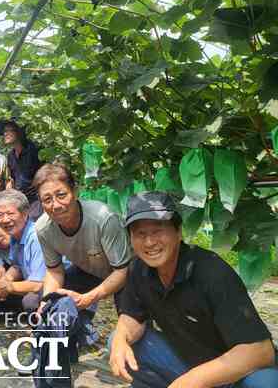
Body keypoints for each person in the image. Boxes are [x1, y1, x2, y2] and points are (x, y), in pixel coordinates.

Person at [110, 191, 278, 388]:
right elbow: (132, 315)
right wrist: (121, 338)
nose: (149, 242)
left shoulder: (212, 272)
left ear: (178, 231)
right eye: (140, 233)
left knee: (265, 382)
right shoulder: (138, 268)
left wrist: (191, 381)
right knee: (118, 343)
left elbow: (260, 351)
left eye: (157, 231)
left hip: (236, 373)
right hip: (190, 364)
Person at [33, 163, 132, 354]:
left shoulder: (103, 217)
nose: (55, 205)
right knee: (46, 301)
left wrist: (88, 298)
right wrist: (45, 303)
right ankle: (75, 340)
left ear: (75, 191)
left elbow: (122, 270)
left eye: (61, 195)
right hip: (89, 270)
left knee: (128, 317)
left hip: (126, 271)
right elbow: (55, 270)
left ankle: (130, 349)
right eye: (47, 199)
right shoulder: (43, 228)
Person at [0, 189, 45, 314]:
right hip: (32, 282)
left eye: (10, 213)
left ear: (24, 214)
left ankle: (46, 327)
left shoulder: (35, 236)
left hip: (56, 285)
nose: (5, 219)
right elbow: (17, 266)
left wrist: (9, 287)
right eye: (0, 215)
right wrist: (5, 280)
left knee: (30, 301)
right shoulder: (15, 234)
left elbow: (38, 284)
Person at [0, 118, 42, 220]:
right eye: (4, 131)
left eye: (9, 130)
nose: (5, 134)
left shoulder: (34, 150)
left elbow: (44, 174)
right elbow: (12, 179)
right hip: (21, 200)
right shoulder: (11, 156)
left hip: (36, 200)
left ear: (19, 132)